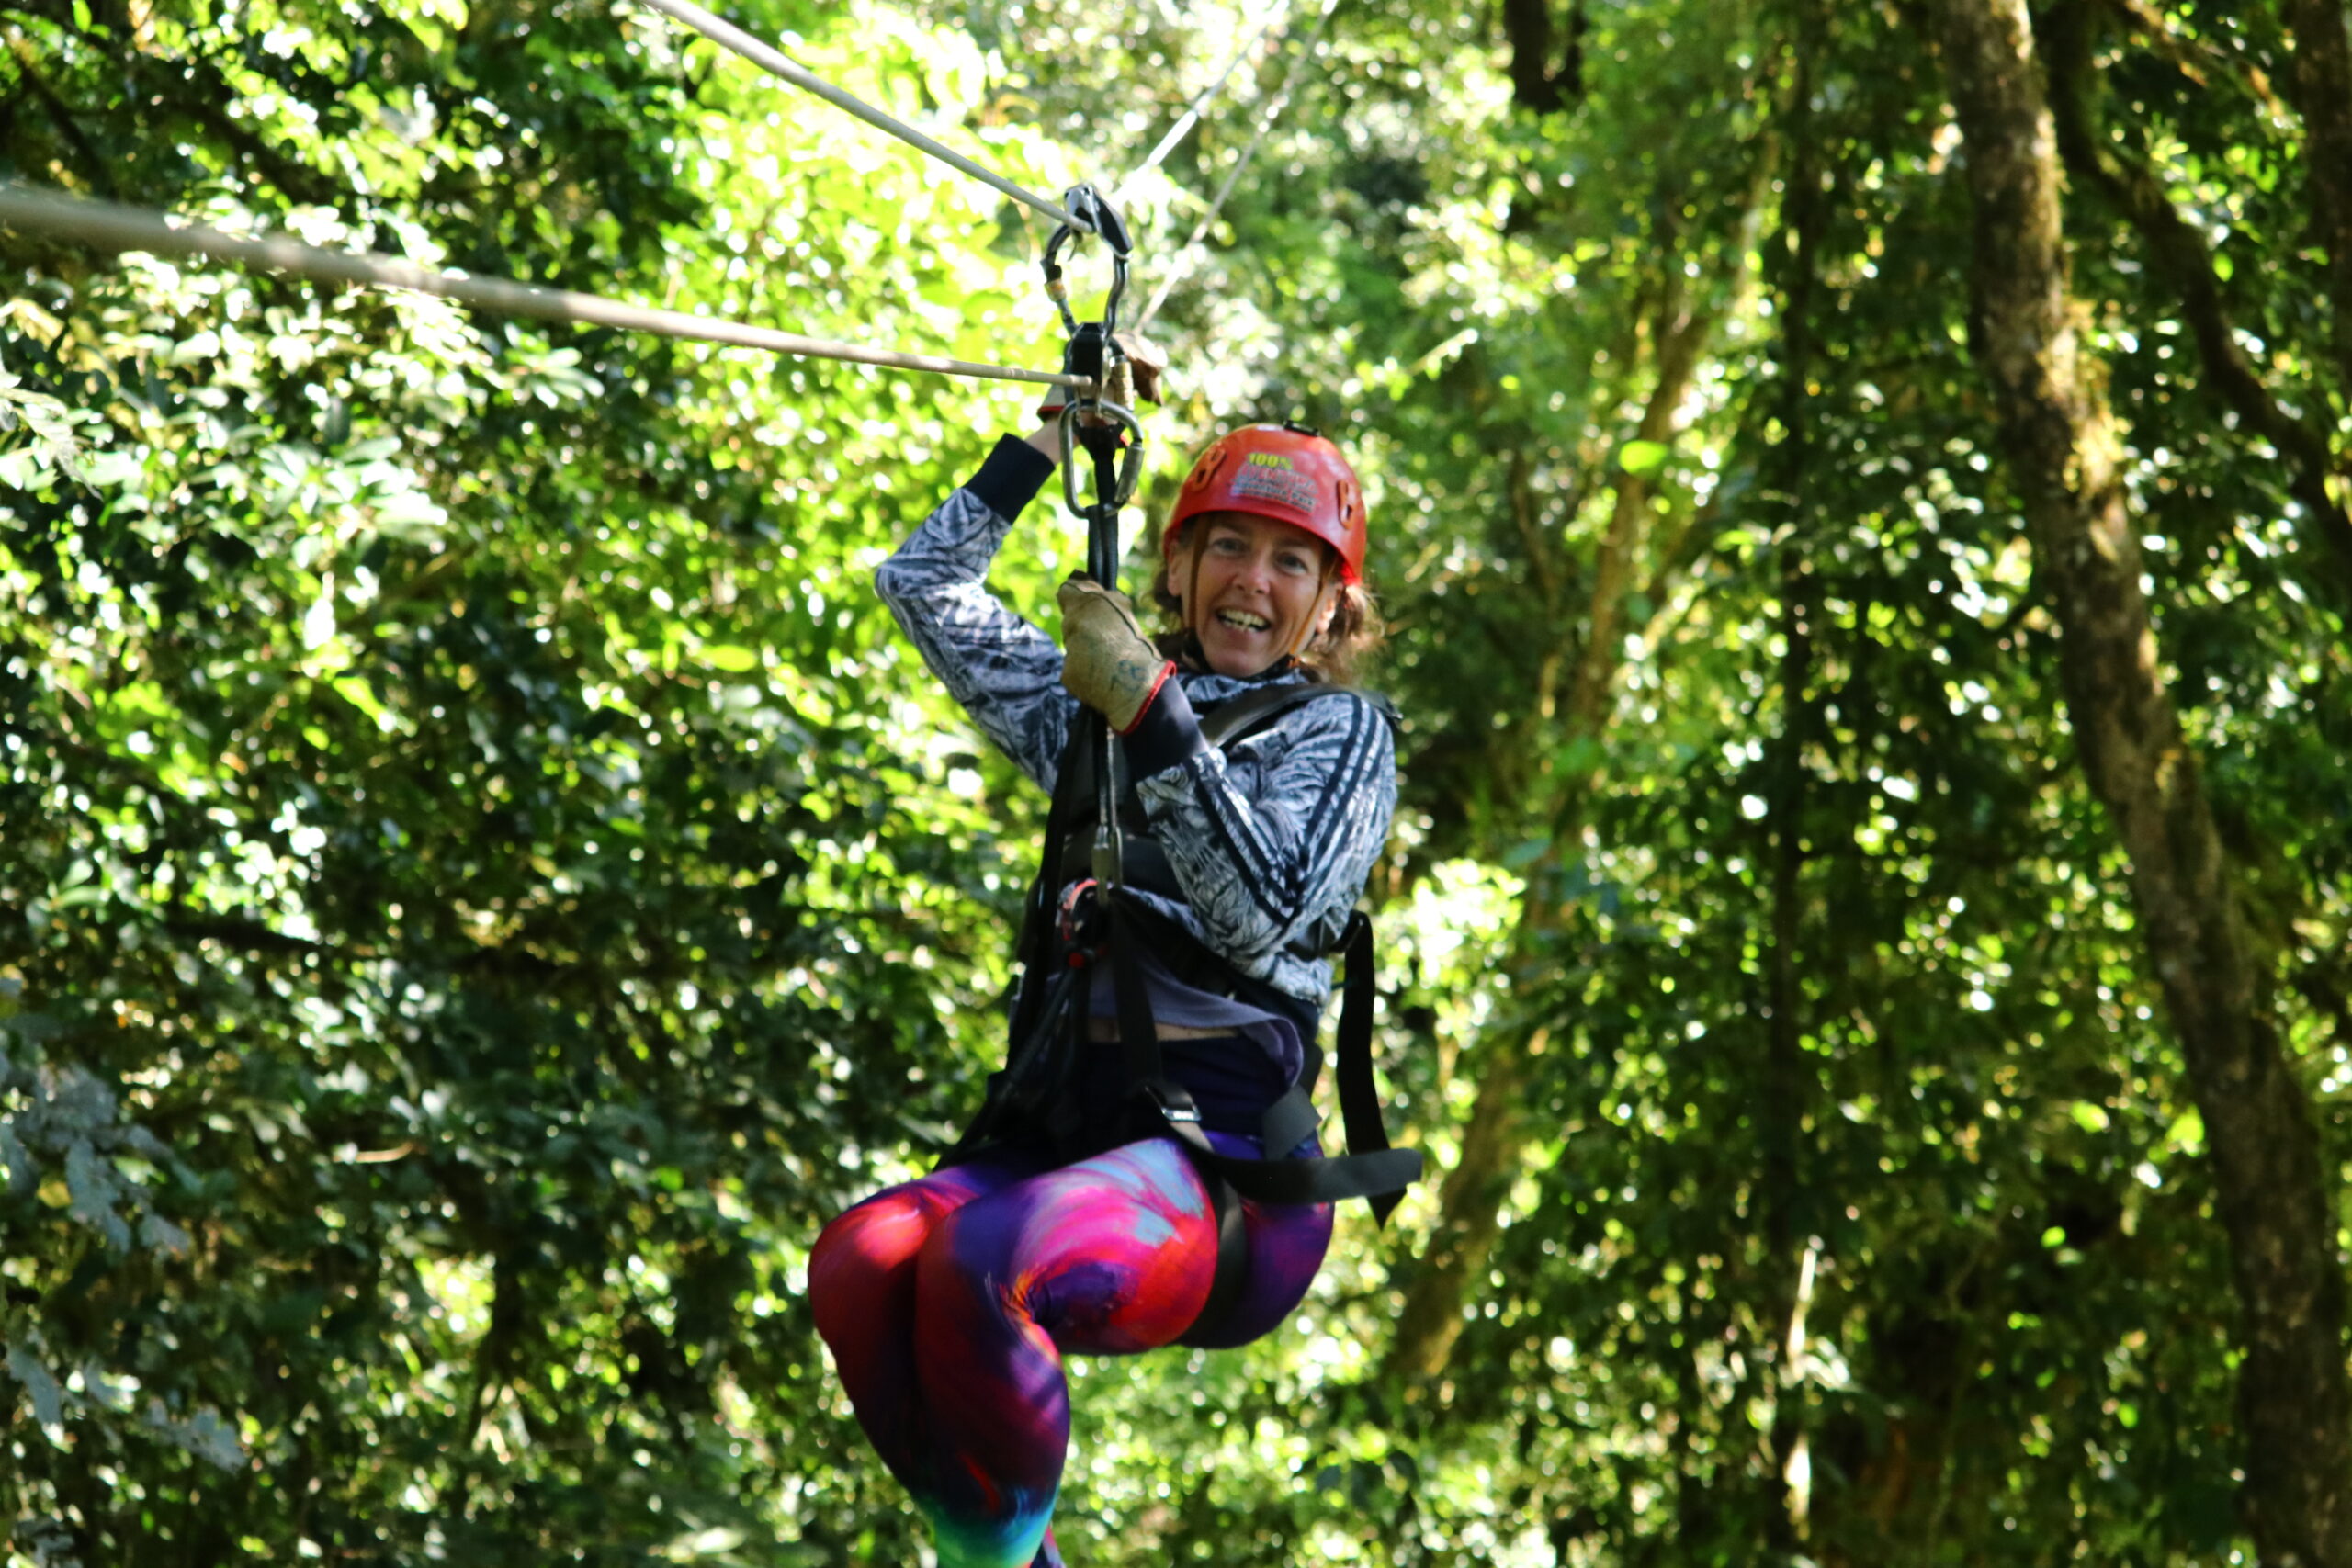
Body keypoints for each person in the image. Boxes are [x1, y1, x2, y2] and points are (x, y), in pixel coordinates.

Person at [806, 385, 1401, 1568]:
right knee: (862, 1263)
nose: (1252, 579)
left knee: (983, 1265)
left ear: (1329, 605)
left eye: (1291, 562)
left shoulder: (1339, 736)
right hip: (1066, 1134)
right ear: (1176, 566)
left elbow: (1259, 910)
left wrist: (1155, 716)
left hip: (1229, 1174)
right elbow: (921, 590)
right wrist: (1047, 445)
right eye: (1227, 544)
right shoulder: (1092, 711)